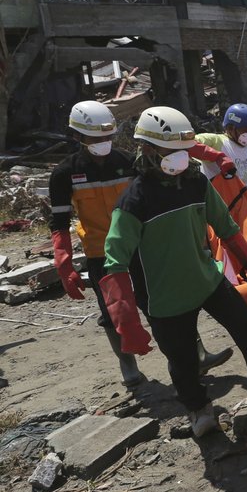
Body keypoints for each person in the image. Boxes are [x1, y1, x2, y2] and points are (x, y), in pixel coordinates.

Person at [99, 106, 247, 437]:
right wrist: (127, 321)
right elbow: (115, 263)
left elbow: (226, 227)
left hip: (207, 279)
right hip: (165, 298)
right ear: (149, 149)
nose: (180, 158)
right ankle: (200, 410)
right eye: (172, 151)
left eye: (184, 151)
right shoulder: (134, 202)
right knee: (184, 364)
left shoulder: (195, 182)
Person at [49, 101, 232, 388]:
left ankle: (192, 357)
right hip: (102, 254)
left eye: (107, 137)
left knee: (168, 304)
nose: (103, 144)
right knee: (113, 312)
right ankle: (129, 368)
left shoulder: (126, 163)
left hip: (145, 247)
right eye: (96, 139)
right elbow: (58, 223)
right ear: (78, 137)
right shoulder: (64, 174)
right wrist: (64, 263)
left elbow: (167, 173)